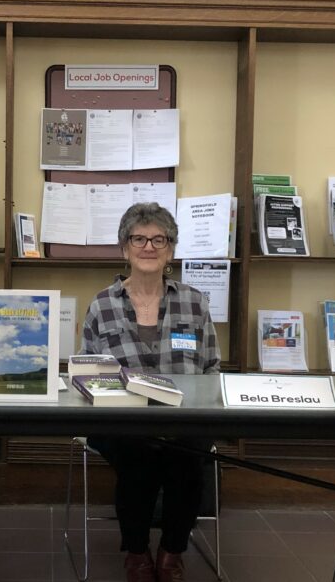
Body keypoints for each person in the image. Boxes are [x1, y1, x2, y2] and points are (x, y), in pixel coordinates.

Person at [80, 202, 220, 582]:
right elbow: (88, 373)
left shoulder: (194, 303)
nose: (149, 246)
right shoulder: (102, 305)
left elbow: (211, 368)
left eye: (159, 239)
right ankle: (137, 553)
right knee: (138, 456)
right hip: (120, 420)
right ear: (124, 248)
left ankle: (172, 553)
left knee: (187, 458)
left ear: (171, 249)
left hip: (184, 418)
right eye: (138, 238)